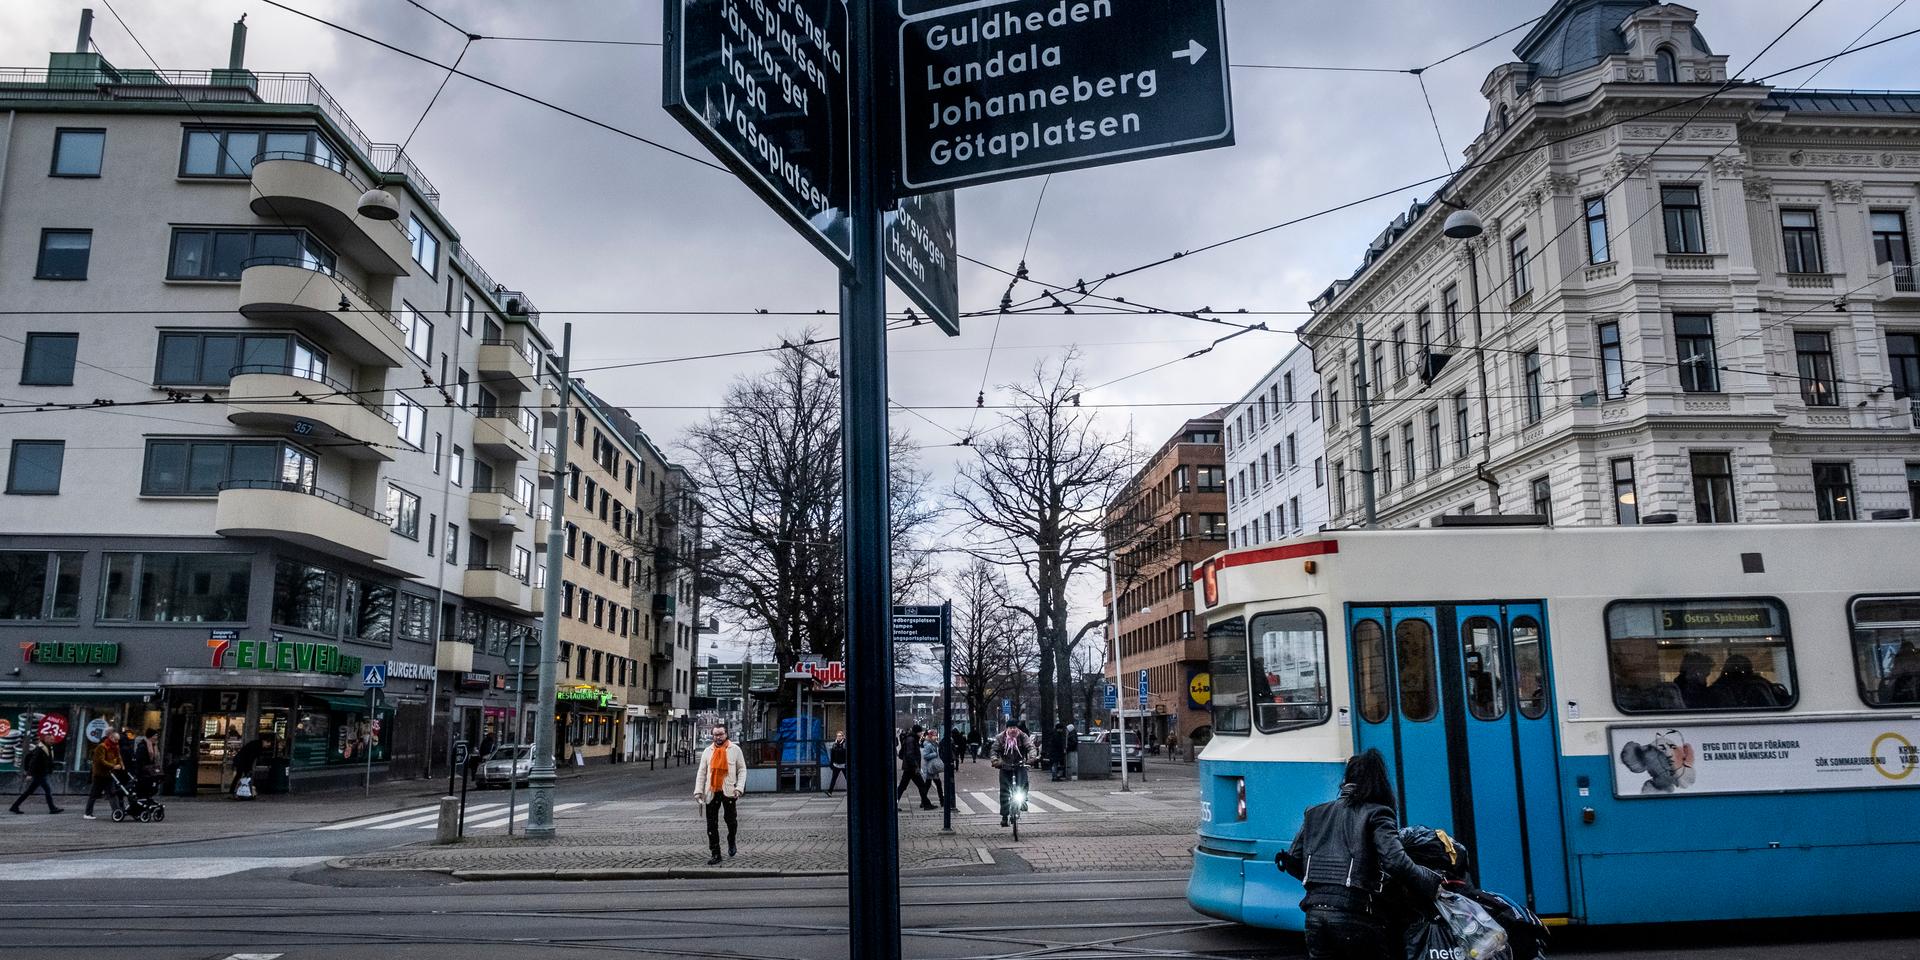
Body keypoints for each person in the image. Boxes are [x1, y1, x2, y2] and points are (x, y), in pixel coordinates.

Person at [1276, 749, 1444, 960]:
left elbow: (1294, 861)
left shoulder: (1315, 812)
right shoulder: (1378, 813)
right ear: (1379, 781)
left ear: (1346, 780)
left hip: (1315, 917)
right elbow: (1396, 861)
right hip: (1356, 915)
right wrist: (1431, 883)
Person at [693, 723, 745, 865]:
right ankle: (716, 853)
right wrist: (698, 791)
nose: (718, 737)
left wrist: (739, 788)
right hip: (712, 791)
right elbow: (702, 773)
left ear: (726, 734)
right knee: (711, 825)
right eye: (715, 734)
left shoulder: (735, 750)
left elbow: (742, 770)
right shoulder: (707, 751)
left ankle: (731, 839)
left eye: (721, 734)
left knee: (731, 821)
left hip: (729, 791)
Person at [989, 718, 1036, 827]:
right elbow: (994, 750)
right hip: (1005, 766)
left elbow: (1030, 747)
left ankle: (1023, 801)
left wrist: (1032, 758)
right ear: (1007, 728)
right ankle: (1004, 816)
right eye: (1011, 728)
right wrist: (995, 761)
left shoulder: (1023, 736)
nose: (1013, 730)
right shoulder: (1000, 738)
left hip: (1020, 765)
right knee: (1004, 791)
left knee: (1024, 782)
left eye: (1015, 727)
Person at [9, 733, 61, 815]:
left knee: (28, 791)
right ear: (46, 739)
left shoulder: (48, 747)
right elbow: (33, 762)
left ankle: (14, 806)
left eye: (53, 739)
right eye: (51, 739)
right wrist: (29, 774)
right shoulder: (39, 749)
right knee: (48, 790)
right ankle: (52, 808)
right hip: (39, 773)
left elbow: (48, 761)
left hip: (41, 773)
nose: (53, 741)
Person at [83, 732, 124, 820]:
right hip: (99, 774)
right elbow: (100, 761)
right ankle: (88, 813)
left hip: (109, 774)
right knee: (94, 794)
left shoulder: (115, 747)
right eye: (115, 739)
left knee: (112, 794)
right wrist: (113, 766)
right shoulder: (102, 746)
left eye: (118, 740)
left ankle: (117, 812)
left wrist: (121, 765)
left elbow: (118, 756)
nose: (116, 741)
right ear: (110, 737)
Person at [896, 725, 932, 809]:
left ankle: (926, 803)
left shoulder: (912, 739)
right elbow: (910, 754)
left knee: (904, 786)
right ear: (917, 732)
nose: (921, 733)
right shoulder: (911, 740)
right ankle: (926, 804)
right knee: (920, 785)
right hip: (911, 768)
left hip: (910, 767)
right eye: (920, 732)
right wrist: (915, 766)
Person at [919, 729, 945, 808]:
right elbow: (925, 756)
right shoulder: (928, 744)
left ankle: (925, 801)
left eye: (936, 735)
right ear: (930, 736)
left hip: (933, 768)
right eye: (934, 735)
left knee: (932, 784)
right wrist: (934, 754)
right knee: (932, 784)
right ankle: (940, 801)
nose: (936, 737)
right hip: (930, 768)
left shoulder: (934, 743)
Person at [824, 730, 849, 797]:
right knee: (833, 779)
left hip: (844, 765)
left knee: (847, 778)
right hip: (836, 765)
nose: (838, 737)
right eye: (837, 736)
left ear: (843, 737)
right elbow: (832, 755)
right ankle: (830, 792)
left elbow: (845, 753)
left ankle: (851, 792)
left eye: (840, 736)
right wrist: (831, 763)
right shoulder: (834, 744)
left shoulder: (845, 744)